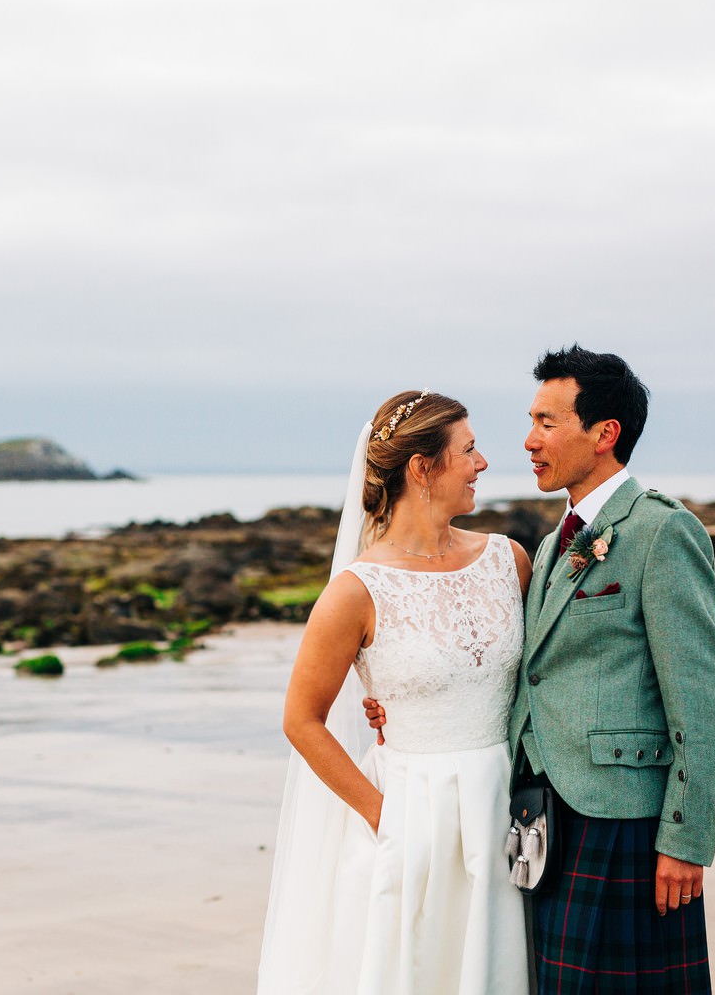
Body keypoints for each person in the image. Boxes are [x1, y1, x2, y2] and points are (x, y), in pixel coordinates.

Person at [368, 346, 715, 994]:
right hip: (541, 824)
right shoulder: (546, 544)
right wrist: (395, 700)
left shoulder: (660, 533)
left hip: (626, 823)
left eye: (547, 422)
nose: (529, 440)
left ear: (603, 434)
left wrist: (686, 838)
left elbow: (702, 700)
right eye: (531, 420)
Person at [257, 389, 534, 995]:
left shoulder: (508, 561)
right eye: (468, 449)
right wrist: (385, 815)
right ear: (422, 468)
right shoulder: (357, 590)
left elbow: (542, 678)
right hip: (413, 818)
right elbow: (302, 719)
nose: (483, 462)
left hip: (506, 808)